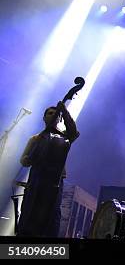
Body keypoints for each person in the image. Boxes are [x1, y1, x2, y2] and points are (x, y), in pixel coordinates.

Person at [17, 101, 79, 237]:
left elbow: (73, 132)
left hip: (55, 182)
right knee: (29, 212)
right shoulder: (35, 139)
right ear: (44, 118)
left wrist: (65, 112)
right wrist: (27, 159)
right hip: (36, 179)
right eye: (49, 113)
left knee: (52, 214)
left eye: (56, 114)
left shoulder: (64, 137)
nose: (53, 115)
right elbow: (23, 160)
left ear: (59, 118)